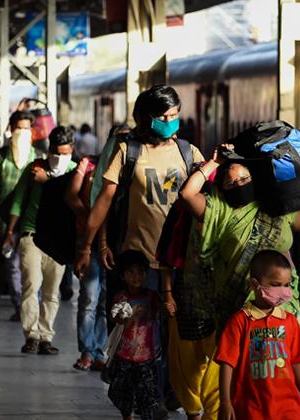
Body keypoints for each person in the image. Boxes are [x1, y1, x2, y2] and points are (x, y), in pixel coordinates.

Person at [169, 143, 300, 420]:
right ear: (222, 187)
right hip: (238, 311)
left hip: (282, 311)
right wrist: (215, 161)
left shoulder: (276, 208)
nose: (239, 184)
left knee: (280, 370)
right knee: (245, 377)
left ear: (256, 178)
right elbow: (187, 193)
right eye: (231, 182)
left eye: (245, 179)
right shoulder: (218, 212)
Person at [74, 85, 205, 413]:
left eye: (175, 115)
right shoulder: (127, 150)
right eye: (164, 116)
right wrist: (91, 245)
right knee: (139, 331)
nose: (171, 121)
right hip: (138, 262)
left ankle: (166, 391)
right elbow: (106, 200)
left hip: (178, 261)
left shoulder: (189, 153)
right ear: (148, 117)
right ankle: (144, 395)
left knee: (173, 334)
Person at [215, 250, 300, 420]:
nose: (283, 291)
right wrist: (225, 401)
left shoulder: (290, 321)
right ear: (255, 284)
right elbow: (227, 364)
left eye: (286, 285)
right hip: (251, 408)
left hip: (288, 407)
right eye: (276, 284)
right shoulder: (240, 321)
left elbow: (296, 362)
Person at [4, 126, 77, 355]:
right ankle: (32, 335)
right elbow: (18, 201)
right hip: (31, 234)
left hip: (59, 239)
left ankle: (46, 335)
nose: (60, 158)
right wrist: (10, 231)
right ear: (48, 152)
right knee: (30, 286)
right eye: (56, 153)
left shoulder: (76, 172)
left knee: (51, 291)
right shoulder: (33, 169)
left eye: (65, 153)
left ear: (72, 151)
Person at [0, 110, 39, 320]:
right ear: (11, 129)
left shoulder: (37, 158)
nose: (22, 132)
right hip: (6, 221)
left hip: (32, 222)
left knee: (31, 268)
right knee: (14, 266)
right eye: (19, 128)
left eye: (26, 128)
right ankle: (21, 308)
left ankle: (29, 307)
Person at [66, 136, 111, 371]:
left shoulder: (129, 168)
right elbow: (71, 194)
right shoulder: (89, 165)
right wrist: (90, 216)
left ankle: (100, 351)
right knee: (89, 299)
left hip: (114, 243)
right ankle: (87, 350)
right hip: (87, 242)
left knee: (105, 301)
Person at [107, 250, 164, 420]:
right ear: (123, 276)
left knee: (146, 397)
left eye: (140, 272)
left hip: (147, 357)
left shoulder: (152, 296)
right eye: (131, 272)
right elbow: (116, 318)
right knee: (123, 395)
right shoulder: (121, 297)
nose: (136, 276)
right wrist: (130, 318)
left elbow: (164, 311)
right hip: (124, 356)